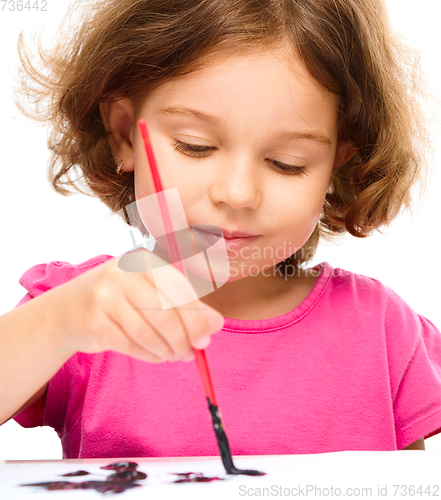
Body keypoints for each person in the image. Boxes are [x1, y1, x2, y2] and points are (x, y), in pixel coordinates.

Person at [0, 0, 440, 459]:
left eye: (286, 164)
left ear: (338, 165)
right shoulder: (83, 311)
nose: (236, 193)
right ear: (124, 136)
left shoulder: (382, 332)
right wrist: (59, 323)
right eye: (196, 146)